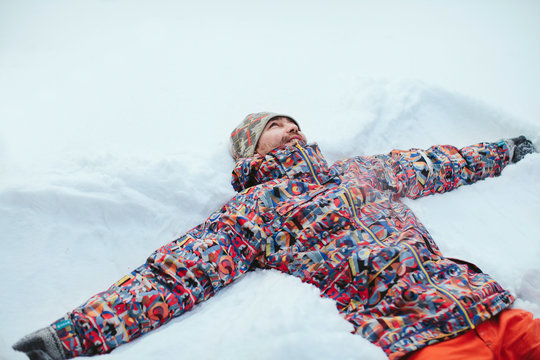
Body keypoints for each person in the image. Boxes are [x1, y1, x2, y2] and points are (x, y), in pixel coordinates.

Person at [13, 112, 539, 360]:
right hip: (419, 340)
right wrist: (71, 333)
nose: (292, 128)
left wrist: (509, 150)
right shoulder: (251, 214)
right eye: (275, 124)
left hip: (489, 306)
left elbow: (436, 163)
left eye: (294, 122)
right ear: (249, 148)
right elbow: (172, 279)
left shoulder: (359, 171)